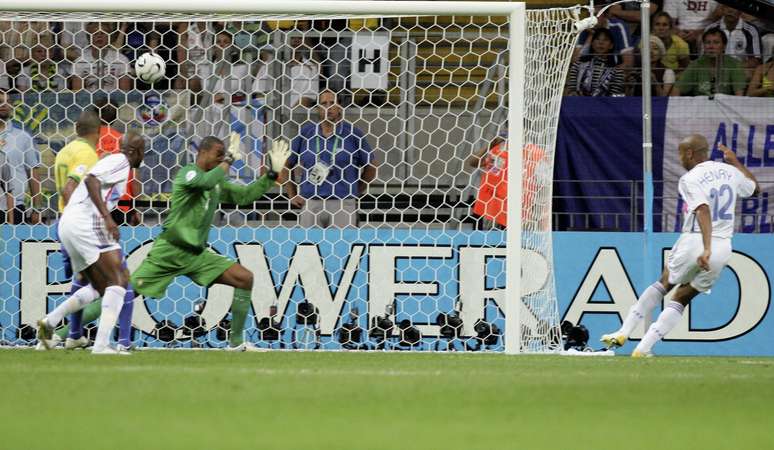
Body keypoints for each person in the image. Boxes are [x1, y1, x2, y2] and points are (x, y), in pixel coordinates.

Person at [601, 135, 758, 357]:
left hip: (697, 239)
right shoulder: (731, 172)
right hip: (724, 246)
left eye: (681, 153)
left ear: (690, 153)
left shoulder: (690, 178)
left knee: (664, 282)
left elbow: (702, 209)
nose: (680, 158)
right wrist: (735, 162)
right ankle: (643, 348)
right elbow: (754, 189)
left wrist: (705, 248)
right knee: (682, 298)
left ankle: (624, 331)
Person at [129, 135, 290, 351]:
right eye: (218, 154)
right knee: (124, 293)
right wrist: (230, 160)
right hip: (169, 252)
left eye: (224, 155)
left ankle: (236, 342)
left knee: (244, 278)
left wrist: (271, 175)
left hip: (196, 255)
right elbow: (204, 182)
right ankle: (69, 333)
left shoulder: (217, 182)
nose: (221, 159)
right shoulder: (189, 173)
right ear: (202, 152)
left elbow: (244, 196)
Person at [37, 131, 146, 355]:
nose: (144, 155)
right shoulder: (121, 161)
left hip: (69, 222)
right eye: (143, 151)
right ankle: (102, 345)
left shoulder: (113, 161)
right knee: (120, 279)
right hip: (88, 223)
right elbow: (91, 180)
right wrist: (107, 217)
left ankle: (49, 323)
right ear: (135, 151)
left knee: (99, 286)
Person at [285, 89, 377, 227]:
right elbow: (286, 164)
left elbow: (372, 166)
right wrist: (292, 194)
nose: (328, 107)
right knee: (309, 246)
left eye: (332, 103)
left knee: (341, 246)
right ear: (317, 108)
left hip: (342, 203)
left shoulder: (353, 134)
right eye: (323, 103)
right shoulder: (306, 132)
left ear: (339, 107)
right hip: (311, 202)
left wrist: (355, 190)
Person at [0, 89, 42, 225]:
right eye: (0, 102)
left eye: (8, 102)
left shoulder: (22, 137)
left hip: (15, 207)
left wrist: (37, 208)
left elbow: (33, 172)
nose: (4, 105)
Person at [671, 27, 747, 96]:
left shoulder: (734, 64)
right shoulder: (696, 65)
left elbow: (739, 96)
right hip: (700, 108)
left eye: (716, 42)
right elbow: (676, 90)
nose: (711, 46)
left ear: (724, 46)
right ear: (704, 46)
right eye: (708, 43)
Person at [71, 22, 132, 92]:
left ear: (109, 37)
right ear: (89, 38)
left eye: (103, 33)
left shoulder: (122, 60)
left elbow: (124, 93)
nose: (99, 36)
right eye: (95, 34)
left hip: (113, 100)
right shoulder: (79, 62)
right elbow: (77, 93)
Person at [705, 4, 762, 78]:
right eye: (727, 6)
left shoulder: (751, 30)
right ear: (722, 9)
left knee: (748, 73)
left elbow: (755, 61)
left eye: (735, 7)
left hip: (740, 68)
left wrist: (733, 67)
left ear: (741, 11)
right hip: (716, 68)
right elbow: (705, 58)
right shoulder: (711, 29)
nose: (730, 10)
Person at [566, 28, 625, 97]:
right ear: (592, 43)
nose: (601, 43)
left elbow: (614, 97)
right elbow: (571, 91)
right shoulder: (577, 65)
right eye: (597, 39)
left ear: (611, 46)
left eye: (605, 40)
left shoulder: (617, 71)